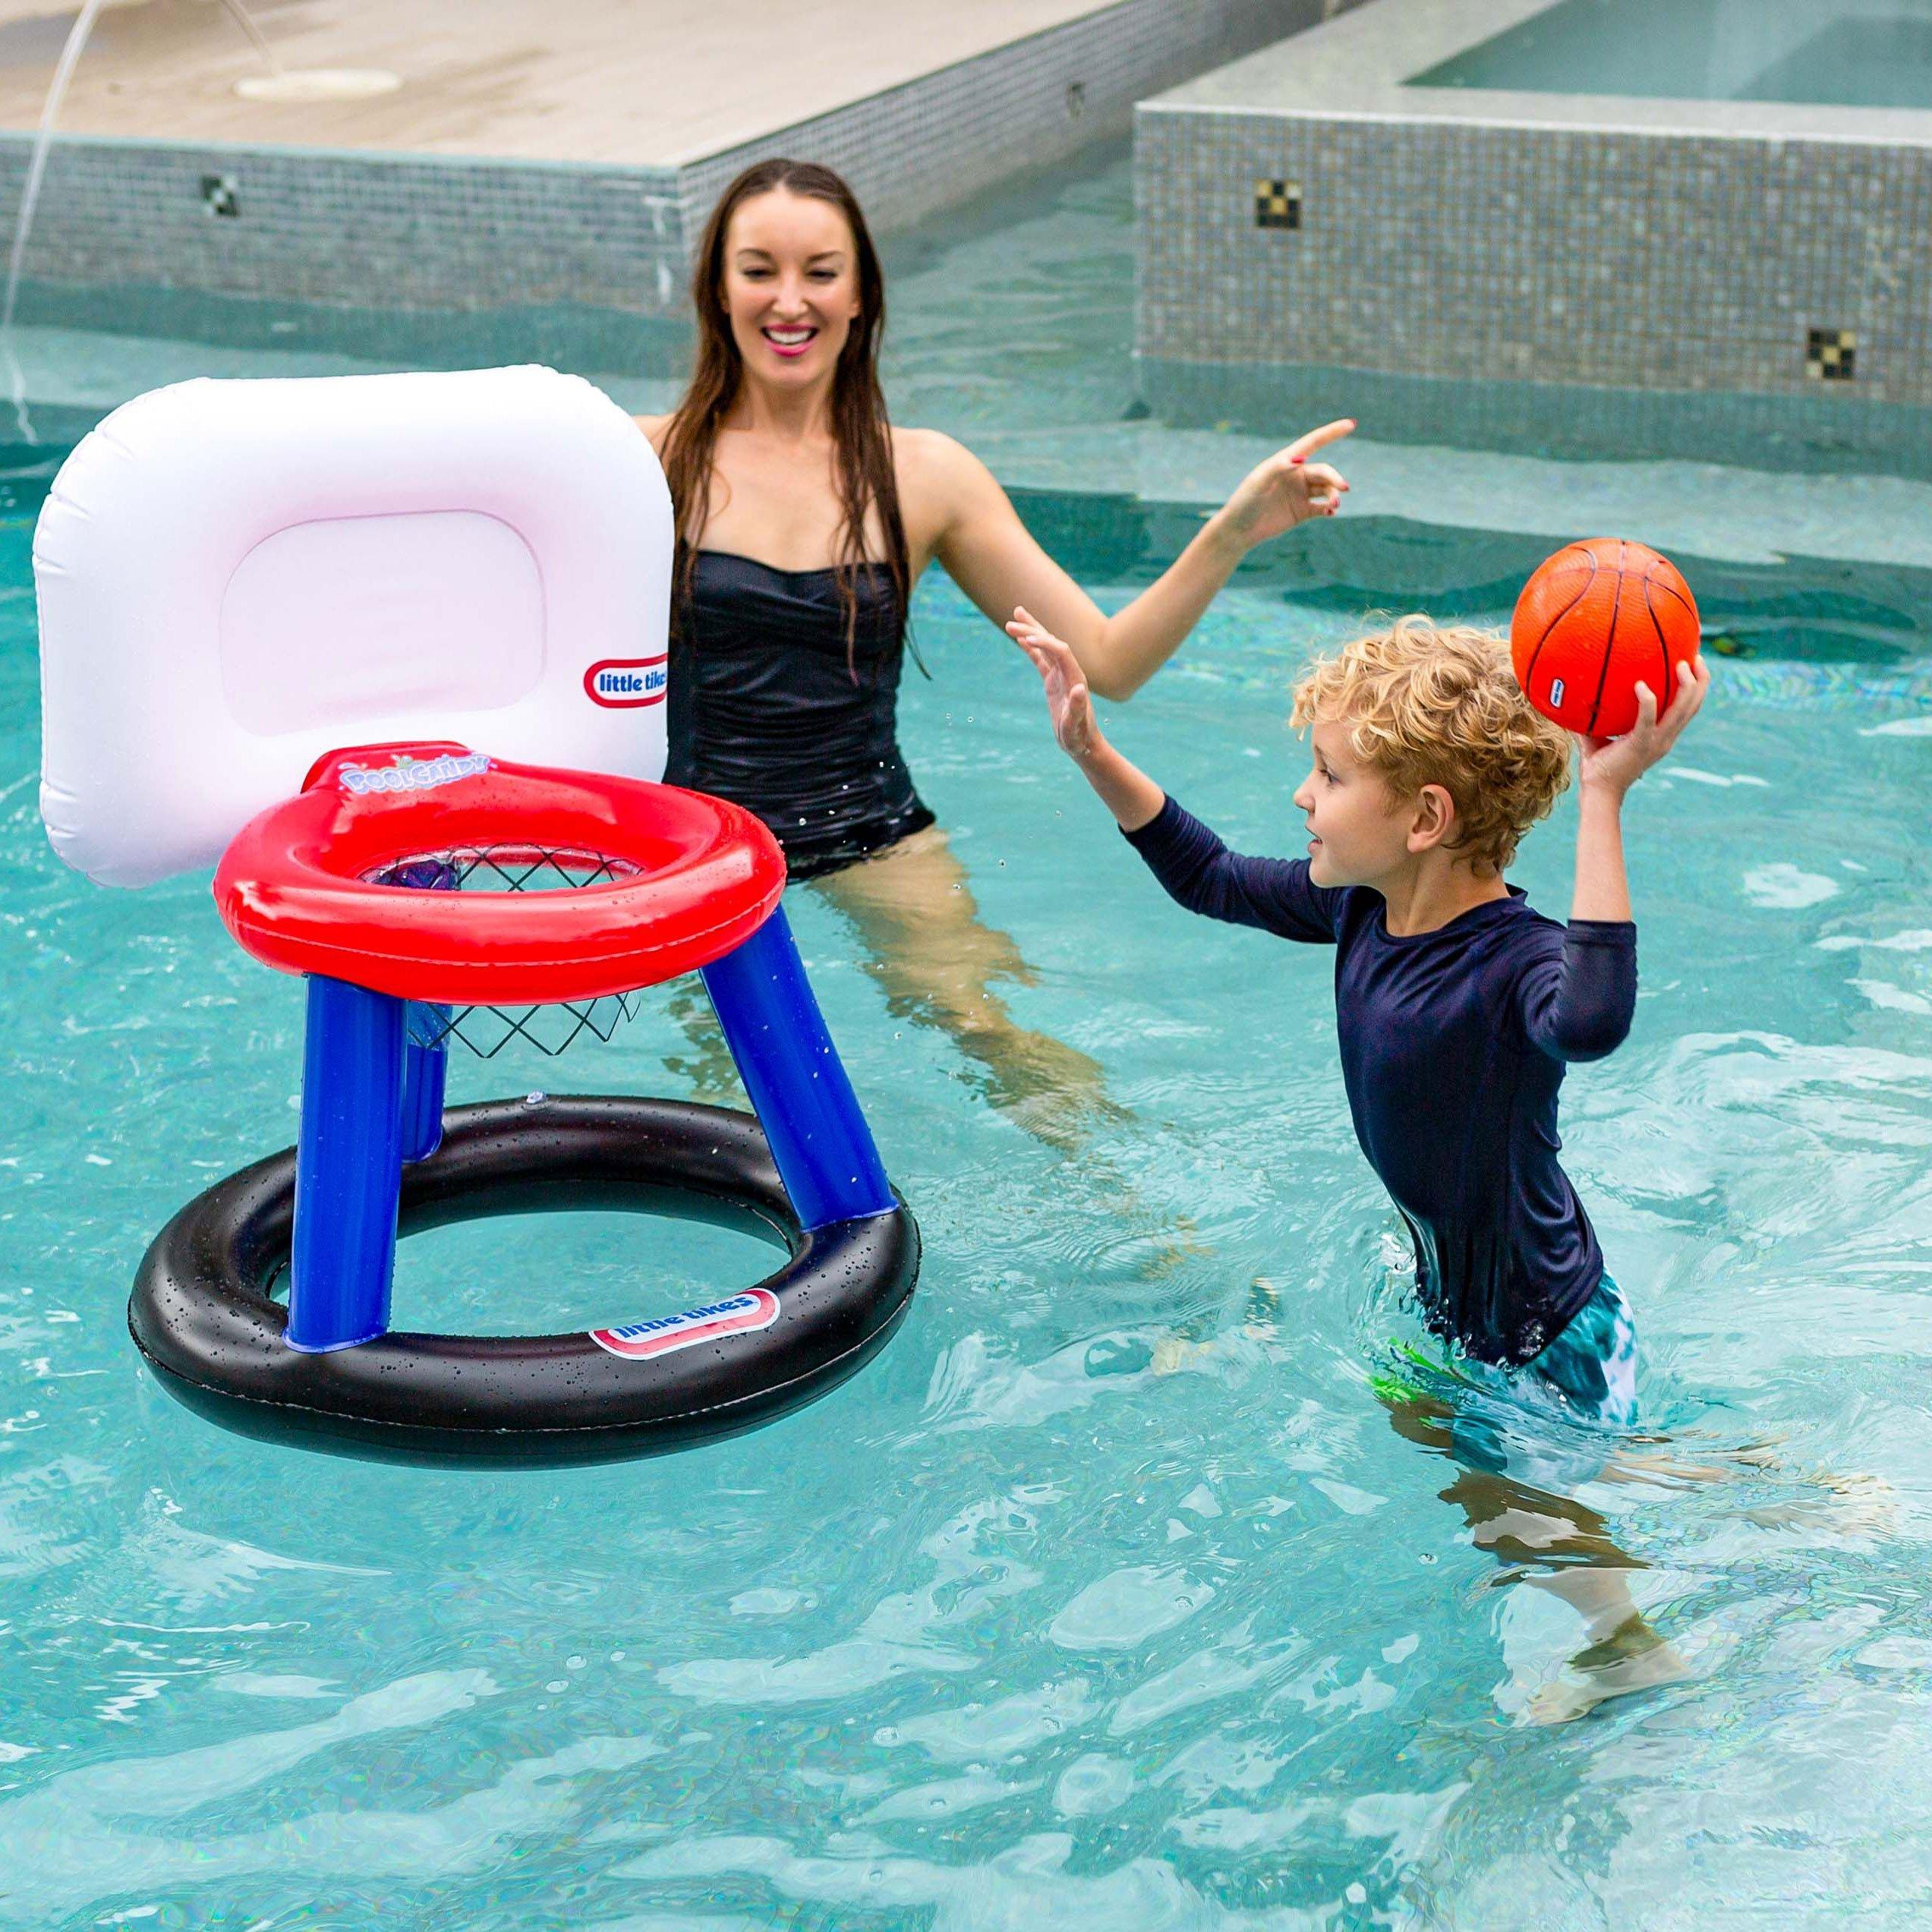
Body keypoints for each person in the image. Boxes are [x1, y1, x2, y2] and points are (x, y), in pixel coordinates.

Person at [1009, 603, 1713, 1719]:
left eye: (1330, 776)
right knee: (1424, 1420)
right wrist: (1090, 748)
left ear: (1426, 816)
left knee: (1496, 1499)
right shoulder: (1361, 911)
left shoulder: (1517, 966)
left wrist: (1604, 796)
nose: (1303, 796)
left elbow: (1590, 1021)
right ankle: (1752, 1487)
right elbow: (1210, 877)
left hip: (1546, 1325)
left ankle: (1629, 1646)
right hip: (1457, 1296)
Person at [634, 156, 1350, 1151]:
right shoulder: (645, 458)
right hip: (697, 840)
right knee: (713, 1083)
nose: (789, 301)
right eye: (759, 270)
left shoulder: (924, 475)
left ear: (861, 294)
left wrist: (1232, 530)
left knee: (986, 1027)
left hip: (866, 823)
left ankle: (1141, 1208)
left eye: (820, 272)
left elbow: (1109, 662)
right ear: (717, 289)